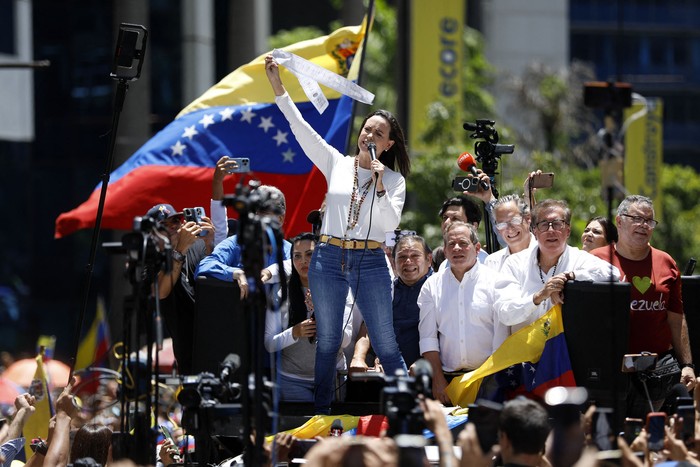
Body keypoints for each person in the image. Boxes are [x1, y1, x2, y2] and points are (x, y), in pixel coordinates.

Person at [265, 54, 410, 414]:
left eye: (379, 133)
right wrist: (277, 84)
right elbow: (301, 129)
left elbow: (390, 223)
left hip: (371, 259)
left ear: (389, 144)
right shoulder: (337, 163)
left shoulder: (393, 180)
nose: (370, 135)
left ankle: (413, 411)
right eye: (367, 129)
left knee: (385, 342)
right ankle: (322, 415)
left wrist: (378, 182)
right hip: (328, 256)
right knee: (328, 341)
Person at [591, 195, 696, 417]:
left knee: (643, 433)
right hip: (608, 367)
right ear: (619, 221)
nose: (644, 225)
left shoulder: (666, 262)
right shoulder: (594, 261)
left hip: (655, 371)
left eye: (649, 221)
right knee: (607, 434)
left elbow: (676, 317)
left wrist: (687, 364)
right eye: (637, 218)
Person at [418, 222, 523, 404]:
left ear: (476, 248)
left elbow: (502, 336)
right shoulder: (431, 285)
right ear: (445, 249)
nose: (457, 248)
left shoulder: (496, 281)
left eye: (463, 243)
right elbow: (428, 338)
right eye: (451, 244)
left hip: (489, 378)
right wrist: (437, 380)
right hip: (448, 380)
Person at [500, 199, 620, 333]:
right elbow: (505, 313)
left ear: (568, 230)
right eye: (544, 224)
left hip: (564, 351)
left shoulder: (579, 259)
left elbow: (613, 274)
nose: (551, 230)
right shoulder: (515, 263)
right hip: (524, 351)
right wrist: (539, 296)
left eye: (557, 224)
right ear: (534, 231)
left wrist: (569, 277)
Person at [264, 233, 352, 402]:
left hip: (332, 378)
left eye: (309, 254)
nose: (303, 261)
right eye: (297, 256)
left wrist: (322, 311)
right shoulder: (281, 293)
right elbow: (269, 343)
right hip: (291, 380)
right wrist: (294, 333)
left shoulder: (340, 288)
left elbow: (345, 340)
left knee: (331, 428)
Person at [148, 203, 215, 376]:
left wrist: (211, 245)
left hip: (215, 338)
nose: (172, 228)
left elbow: (215, 279)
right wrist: (180, 250)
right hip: (188, 351)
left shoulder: (197, 246)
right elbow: (160, 292)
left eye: (176, 221)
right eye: (164, 225)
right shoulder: (150, 260)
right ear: (152, 234)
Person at [350, 234, 433, 372]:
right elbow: (368, 329)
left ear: (428, 259)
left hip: (429, 374)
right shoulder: (387, 290)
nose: (408, 261)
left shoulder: (439, 288)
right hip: (386, 372)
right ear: (393, 263)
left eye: (415, 256)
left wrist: (426, 362)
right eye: (402, 257)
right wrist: (358, 357)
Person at [196, 185, 291, 299]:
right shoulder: (235, 243)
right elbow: (203, 266)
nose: (255, 216)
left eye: (262, 211)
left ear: (280, 219)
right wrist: (236, 273)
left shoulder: (292, 252)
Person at [484, 194, 536, 271]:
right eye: (502, 224)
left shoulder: (548, 253)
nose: (510, 229)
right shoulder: (492, 262)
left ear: (528, 219)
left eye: (515, 220)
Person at [437, 196, 489, 263]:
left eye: (455, 219)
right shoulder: (444, 265)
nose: (446, 222)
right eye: (445, 218)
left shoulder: (486, 262)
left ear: (473, 226)